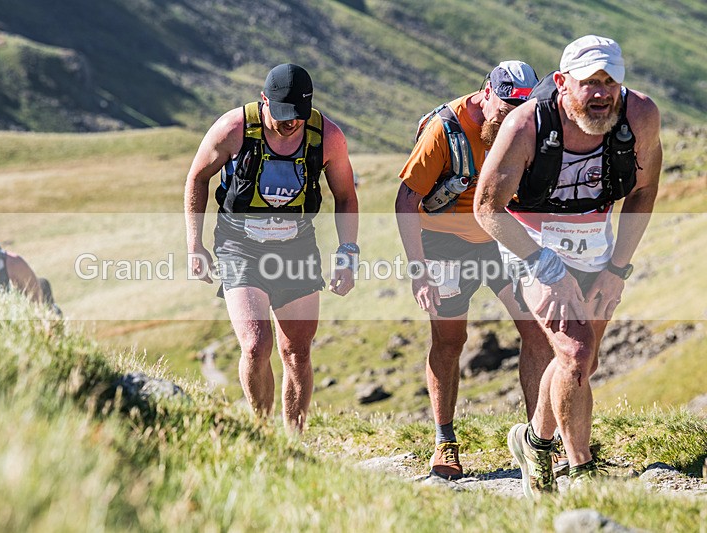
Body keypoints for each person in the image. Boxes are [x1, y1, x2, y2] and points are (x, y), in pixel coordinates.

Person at [474, 36, 662, 497]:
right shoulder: (525, 126)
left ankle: (534, 441)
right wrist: (544, 266)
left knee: (583, 362)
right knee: (575, 352)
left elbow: (643, 190)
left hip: (595, 238)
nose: (601, 94)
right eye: (588, 83)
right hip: (531, 238)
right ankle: (582, 471)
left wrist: (617, 270)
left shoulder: (639, 117)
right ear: (561, 83)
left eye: (610, 82)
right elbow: (486, 206)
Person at [395, 61, 554, 479]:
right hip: (444, 242)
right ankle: (445, 440)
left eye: (521, 107)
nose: (511, 118)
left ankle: (541, 441)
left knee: (537, 331)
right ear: (487, 93)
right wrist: (418, 271)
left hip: (502, 235)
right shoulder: (444, 130)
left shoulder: (531, 124)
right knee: (450, 340)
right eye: (504, 108)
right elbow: (406, 200)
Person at [184, 63, 359, 432]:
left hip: (296, 246)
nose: (290, 123)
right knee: (256, 345)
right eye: (281, 115)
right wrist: (194, 243)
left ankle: (294, 441)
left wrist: (347, 254)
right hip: (240, 244)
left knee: (297, 352)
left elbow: (345, 196)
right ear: (264, 100)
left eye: (297, 115)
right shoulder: (234, 128)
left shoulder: (327, 136)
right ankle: (262, 432)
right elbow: (198, 177)